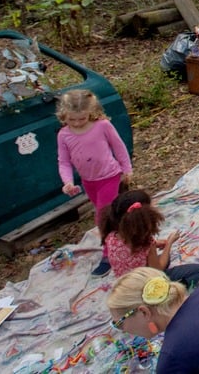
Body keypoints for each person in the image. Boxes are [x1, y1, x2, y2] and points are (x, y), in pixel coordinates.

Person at [56, 89, 132, 277]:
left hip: (110, 176)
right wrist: (67, 182)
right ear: (64, 115)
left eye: (81, 118)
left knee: (102, 217)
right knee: (112, 214)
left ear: (90, 112)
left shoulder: (102, 126)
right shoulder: (64, 134)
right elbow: (64, 161)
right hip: (89, 181)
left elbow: (119, 146)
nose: (77, 123)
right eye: (72, 119)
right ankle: (126, 236)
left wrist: (127, 168)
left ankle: (108, 255)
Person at [99, 189, 199, 286]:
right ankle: (171, 290)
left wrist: (155, 245)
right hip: (146, 286)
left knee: (166, 258)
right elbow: (159, 269)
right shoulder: (146, 243)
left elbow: (132, 250)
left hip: (126, 284)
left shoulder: (111, 235)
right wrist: (169, 243)